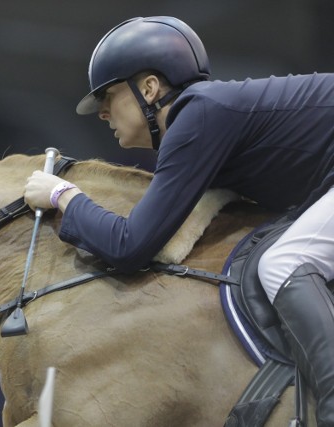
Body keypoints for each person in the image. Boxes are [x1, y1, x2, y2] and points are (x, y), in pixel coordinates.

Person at [23, 16, 334, 425]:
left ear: (149, 89)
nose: (101, 112)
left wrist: (64, 196)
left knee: (283, 263)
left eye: (108, 95)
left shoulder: (198, 115)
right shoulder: (203, 119)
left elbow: (130, 246)